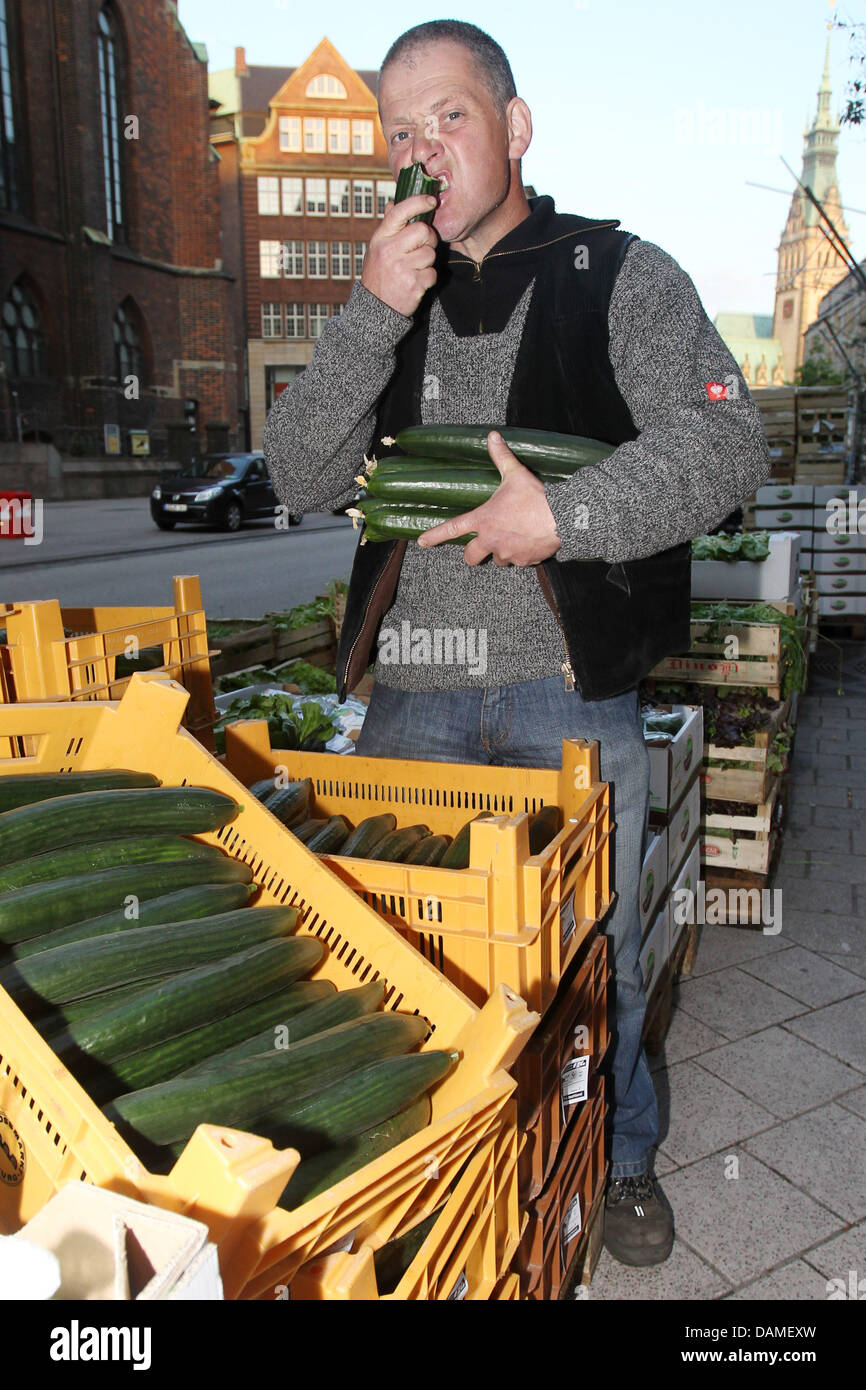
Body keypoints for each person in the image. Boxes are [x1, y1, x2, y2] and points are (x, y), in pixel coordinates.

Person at [264, 19, 771, 1269]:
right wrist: (365, 317)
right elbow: (297, 471)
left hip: (565, 697)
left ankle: (625, 1161)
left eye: (448, 116)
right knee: (402, 950)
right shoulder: (389, 289)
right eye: (400, 130)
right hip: (414, 702)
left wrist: (567, 513)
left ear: (514, 124)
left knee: (586, 958)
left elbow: (723, 443)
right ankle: (447, 1169)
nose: (422, 149)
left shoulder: (619, 274)